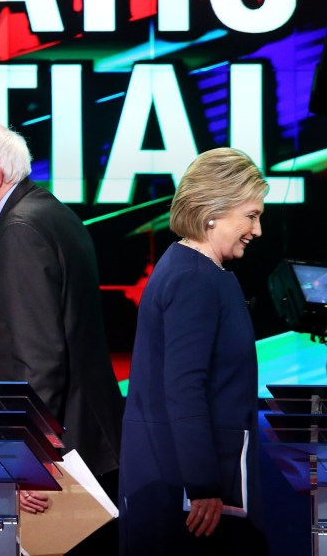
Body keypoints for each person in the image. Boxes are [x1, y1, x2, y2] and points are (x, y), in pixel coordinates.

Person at [0, 118, 124, 553]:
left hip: (61, 462)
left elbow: (38, 360)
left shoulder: (20, 230)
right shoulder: (52, 212)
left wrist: (28, 459)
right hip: (89, 447)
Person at [118, 147, 270, 556]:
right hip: (188, 493)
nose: (257, 230)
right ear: (213, 211)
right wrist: (204, 486)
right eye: (251, 216)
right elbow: (185, 388)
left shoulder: (202, 272)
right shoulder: (193, 278)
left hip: (194, 483)